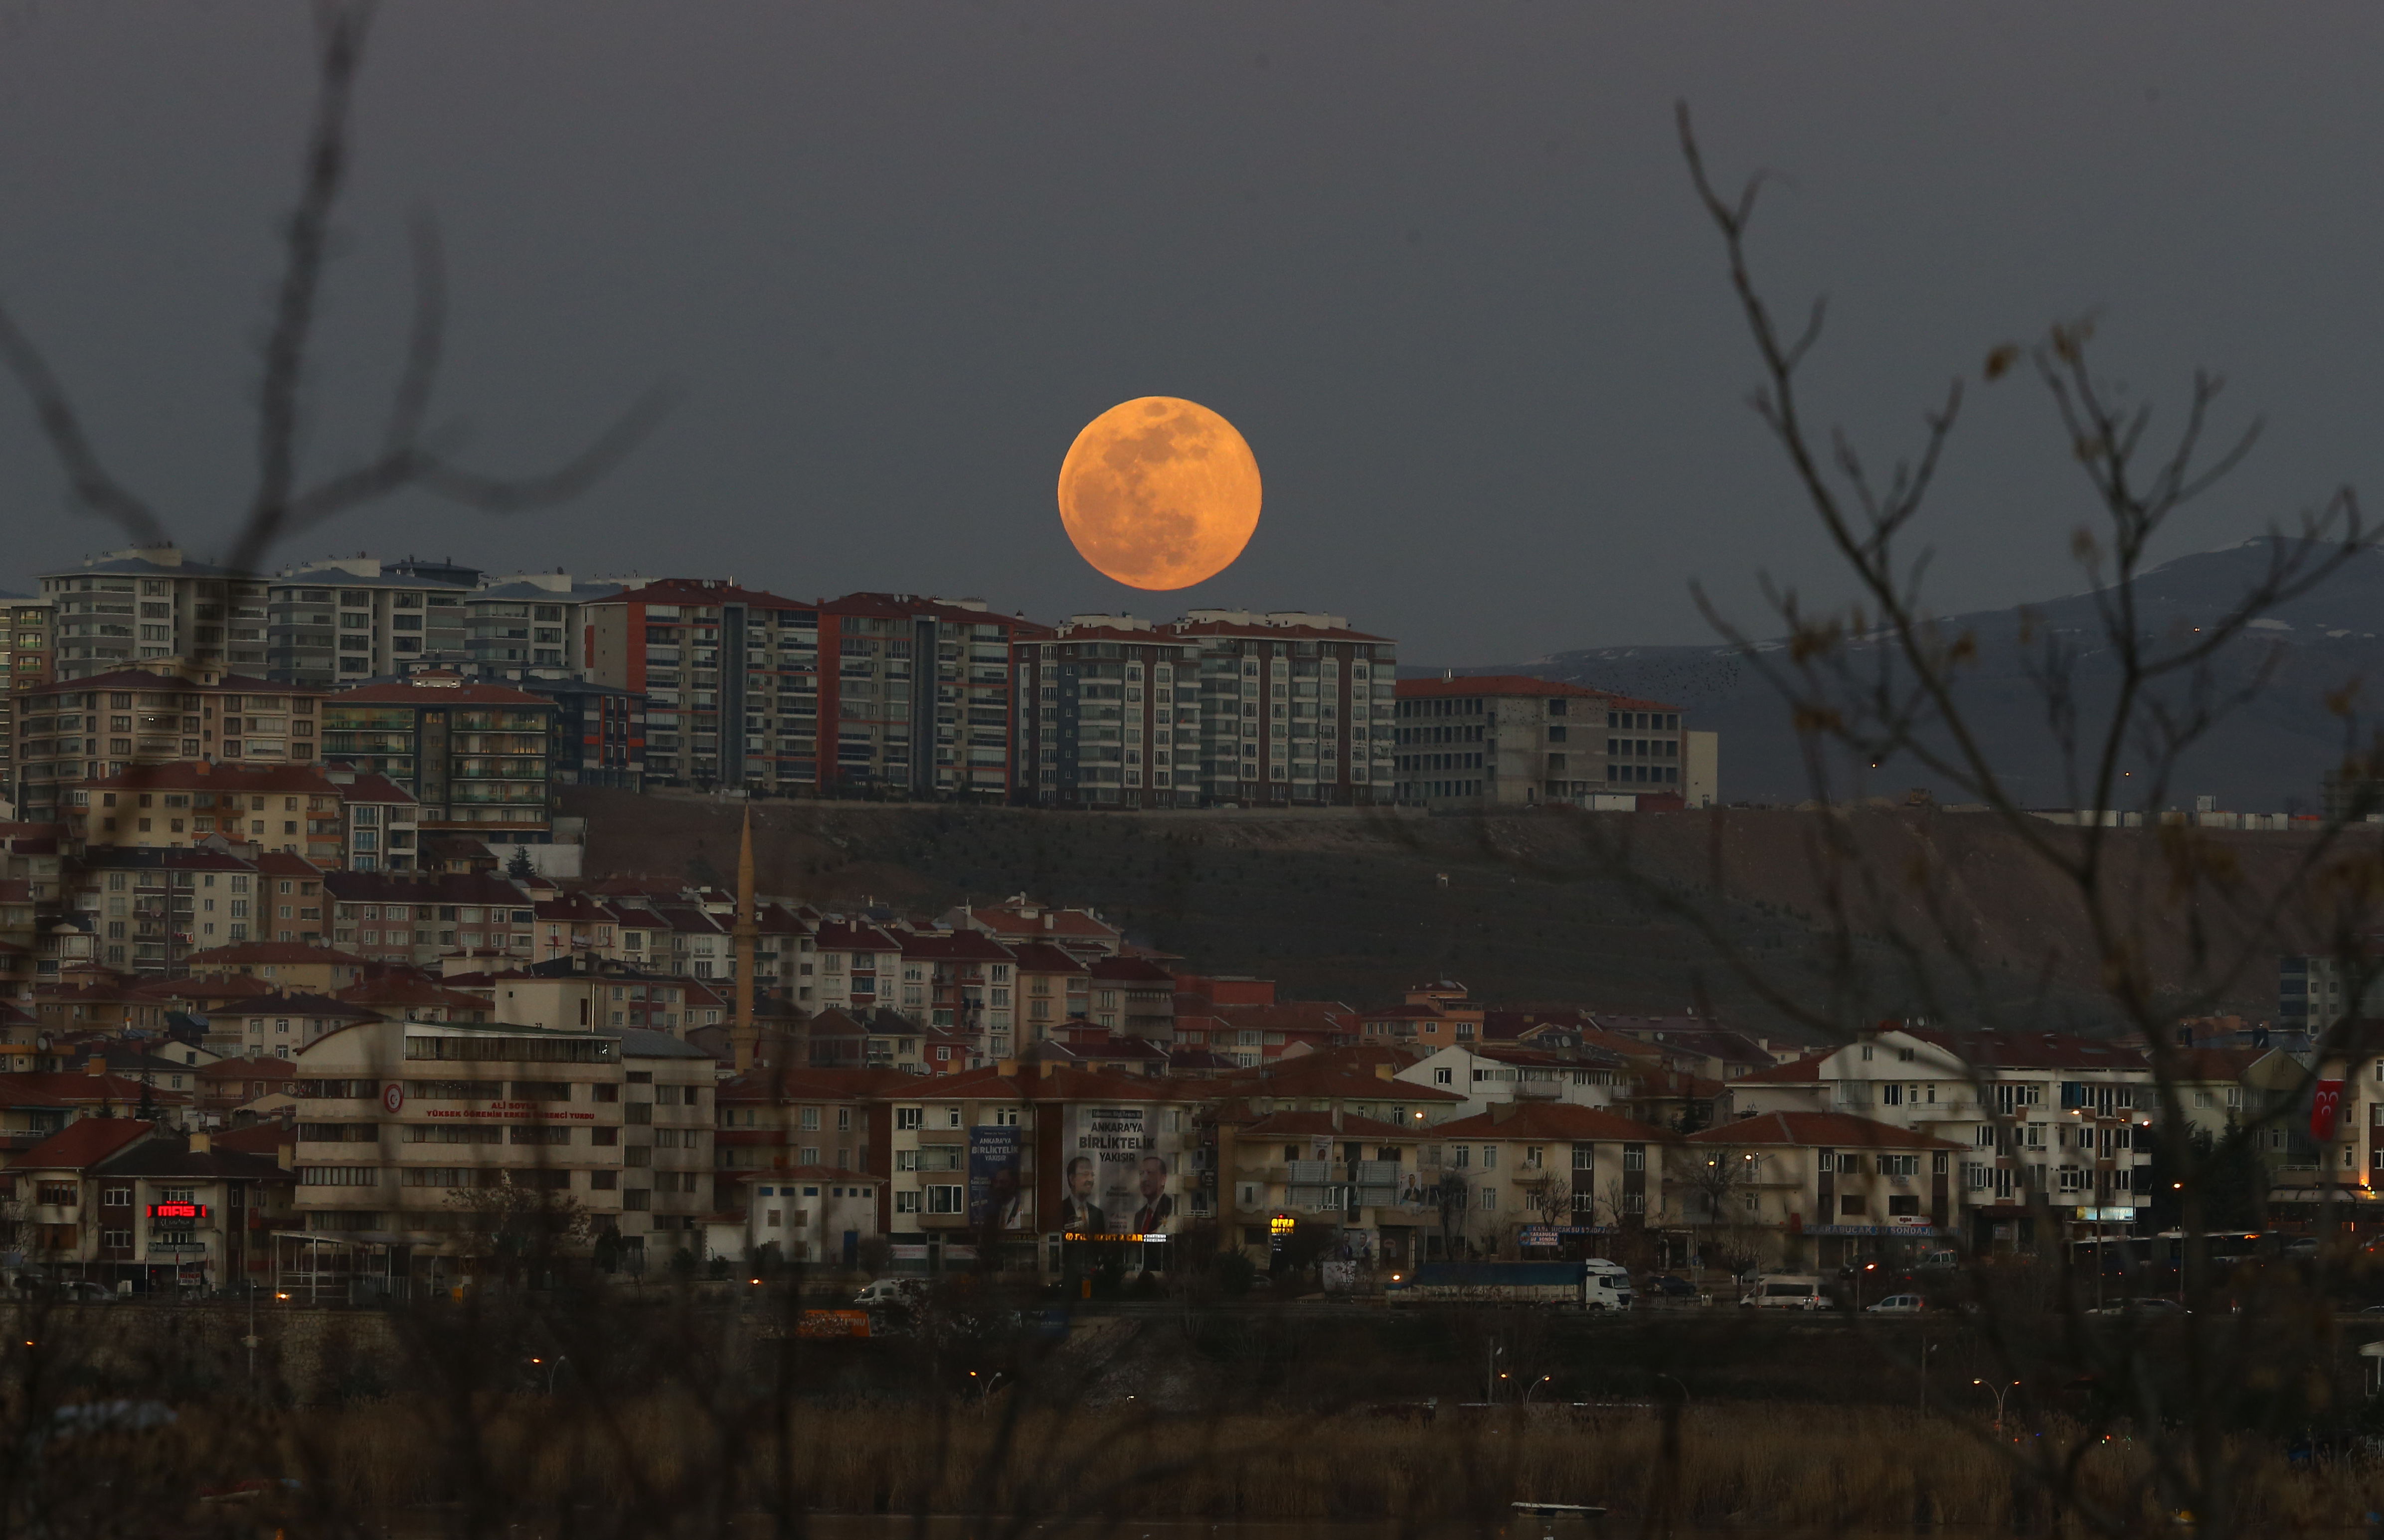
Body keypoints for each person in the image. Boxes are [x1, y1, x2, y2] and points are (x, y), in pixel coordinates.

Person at [1057, 1155, 1106, 1234]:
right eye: (1086, 1175)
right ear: (1072, 1179)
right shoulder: (1060, 1211)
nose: (1091, 1180)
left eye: (1092, 1175)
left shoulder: (1098, 1214)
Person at [1131, 1153, 1174, 1233]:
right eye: (1141, 1174)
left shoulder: (1172, 1208)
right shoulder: (1139, 1216)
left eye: (1150, 1173)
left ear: (1163, 1179)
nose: (1144, 1179)